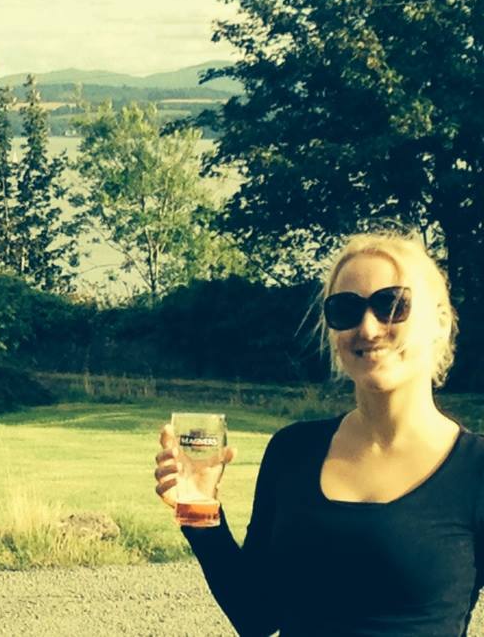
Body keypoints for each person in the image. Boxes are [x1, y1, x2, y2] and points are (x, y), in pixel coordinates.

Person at [153, 231, 484, 636]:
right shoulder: (293, 450)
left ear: (439, 322)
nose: (368, 328)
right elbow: (256, 616)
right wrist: (198, 508)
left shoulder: (476, 471)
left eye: (392, 305)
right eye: (346, 310)